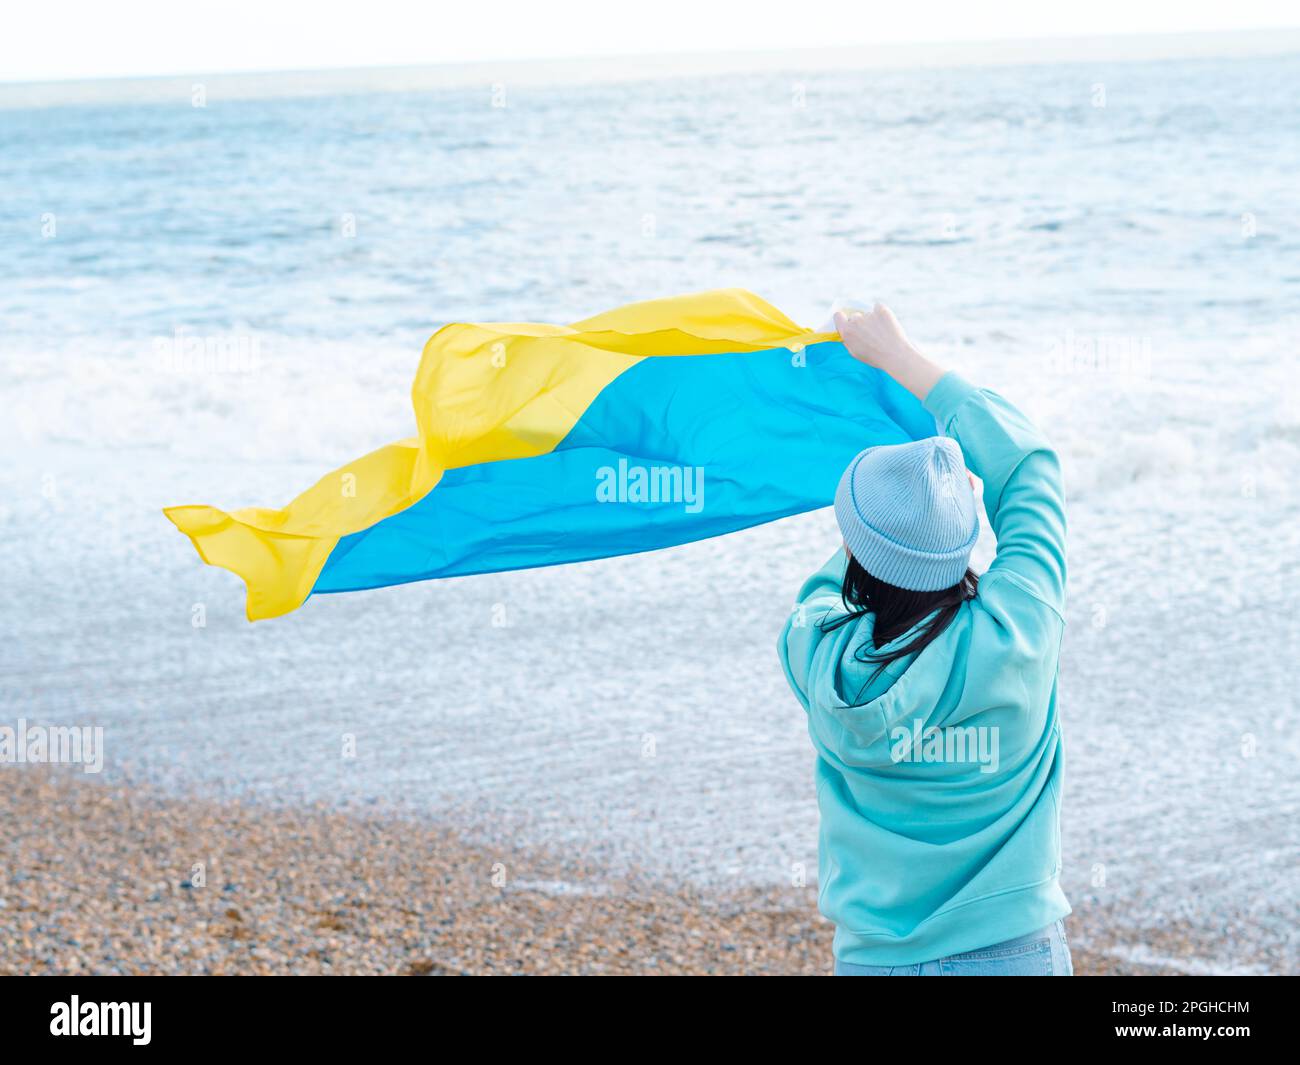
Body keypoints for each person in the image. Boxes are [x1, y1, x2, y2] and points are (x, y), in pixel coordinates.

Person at [779, 304, 1072, 976]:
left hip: (875, 960)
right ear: (965, 534)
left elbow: (828, 588)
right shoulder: (1016, 632)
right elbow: (1030, 469)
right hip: (1012, 955)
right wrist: (902, 357)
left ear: (855, 548)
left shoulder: (819, 657)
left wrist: (896, 518)